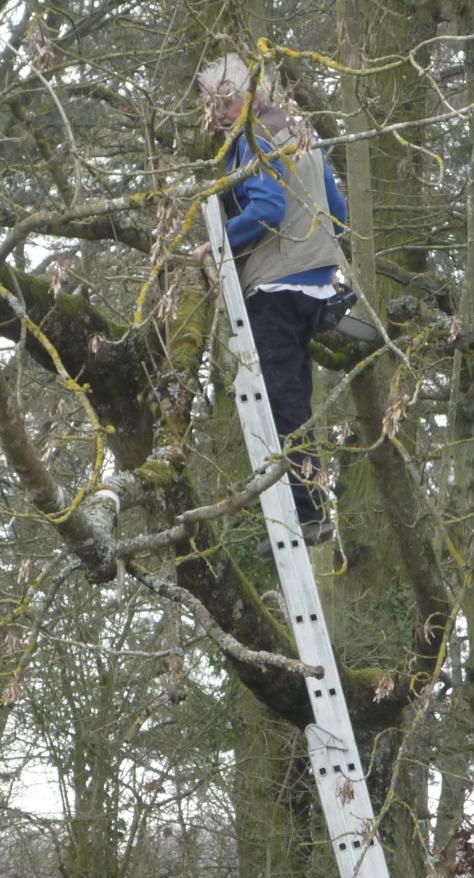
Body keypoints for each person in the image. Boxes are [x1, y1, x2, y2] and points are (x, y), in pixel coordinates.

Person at [192, 54, 348, 556]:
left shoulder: (253, 140)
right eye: (211, 106)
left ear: (247, 95)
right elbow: (338, 211)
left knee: (282, 403)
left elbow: (267, 209)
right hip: (315, 284)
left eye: (222, 102)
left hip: (276, 287)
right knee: (292, 397)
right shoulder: (298, 133)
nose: (216, 115)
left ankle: (309, 514)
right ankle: (304, 511)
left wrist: (215, 244)